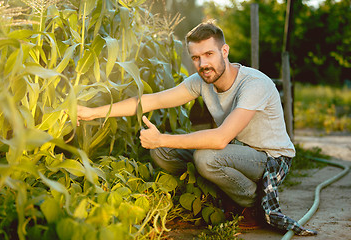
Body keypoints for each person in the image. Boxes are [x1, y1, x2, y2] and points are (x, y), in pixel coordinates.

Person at [77, 20, 317, 236]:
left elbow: (220, 139)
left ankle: (253, 203)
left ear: (225, 51)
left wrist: (163, 138)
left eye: (209, 54)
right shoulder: (202, 81)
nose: (203, 64)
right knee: (161, 153)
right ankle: (217, 194)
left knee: (205, 157)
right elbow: (152, 100)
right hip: (235, 152)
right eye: (196, 58)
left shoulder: (254, 84)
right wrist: (92, 112)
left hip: (270, 159)